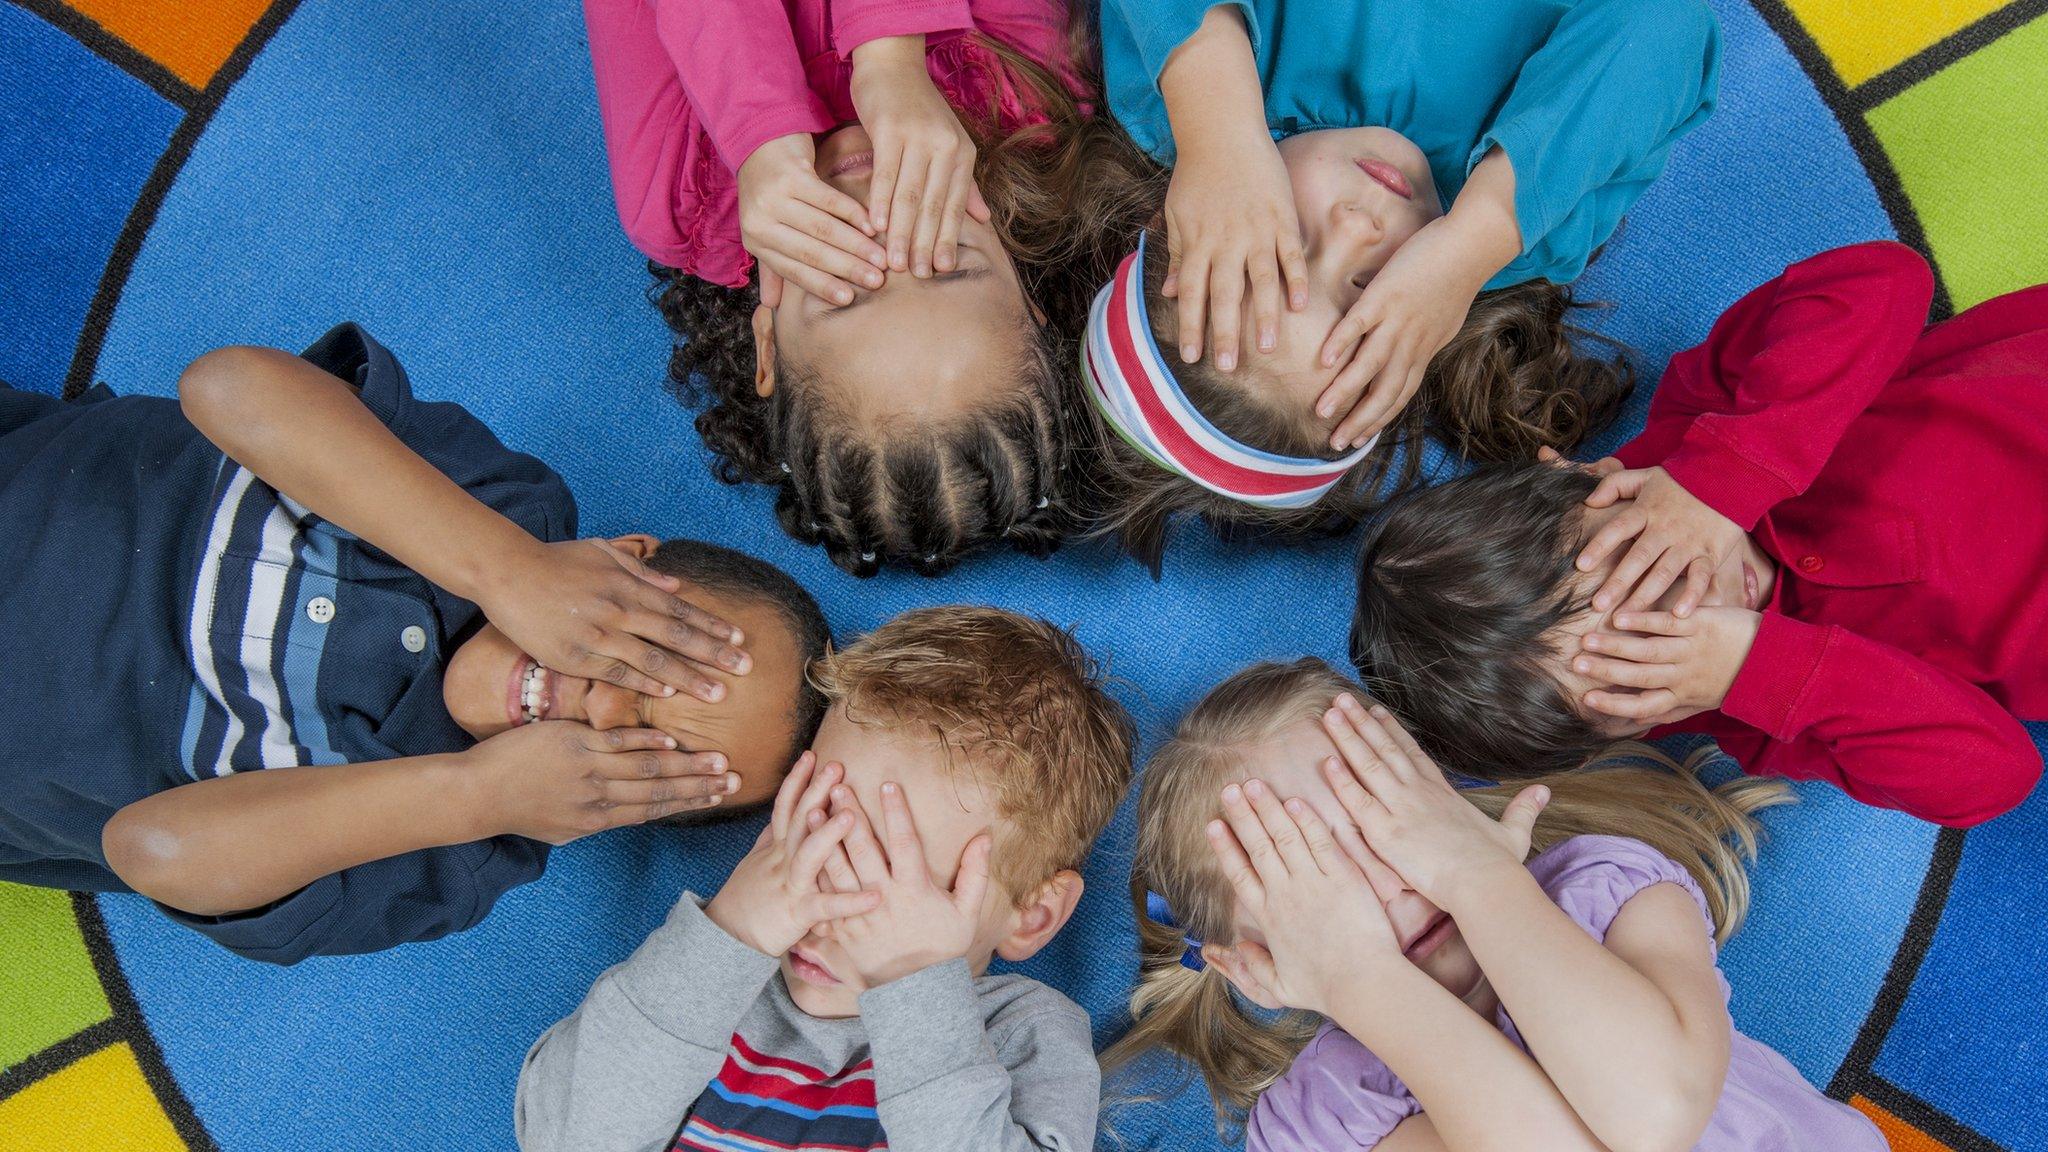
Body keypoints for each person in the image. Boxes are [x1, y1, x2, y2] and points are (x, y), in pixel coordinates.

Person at [0, 324, 829, 963]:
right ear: (624, 562)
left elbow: (147, 848)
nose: (602, 706)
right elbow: (225, 385)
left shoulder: (452, 857)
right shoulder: (506, 506)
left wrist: (472, 793)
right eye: (645, 658)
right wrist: (505, 568)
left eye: (643, 750)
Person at [1352, 242, 2047, 827]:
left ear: (1585, 476)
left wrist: (1721, 480)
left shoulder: (1707, 424)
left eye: (1640, 561)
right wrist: (1763, 665)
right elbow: (1997, 775)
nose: (1701, 603)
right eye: (1652, 656)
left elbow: (1885, 276)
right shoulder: (1771, 718)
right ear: (1635, 726)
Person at [1104, 658, 1883, 1150]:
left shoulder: (1601, 889)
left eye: (1385, 820)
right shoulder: (1324, 1122)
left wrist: (1479, 879)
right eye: (1325, 879)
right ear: (1260, 965)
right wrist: (1358, 980)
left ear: (1437, 795)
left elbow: (1656, 1118)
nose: (1395, 880)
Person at [1082, 0, 1721, 569]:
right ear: (1419, 344)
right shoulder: (1525, 227)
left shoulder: (1189, 92)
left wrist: (1218, 137)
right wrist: (1475, 239)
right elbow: (1669, 24)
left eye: (1287, 238)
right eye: (1367, 291)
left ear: (1183, 217)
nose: (1357, 227)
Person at [514, 606, 1135, 1152]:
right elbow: (563, 1136)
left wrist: (913, 984)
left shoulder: (1024, 1033)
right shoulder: (710, 980)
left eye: (893, 877)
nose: (825, 908)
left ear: (1033, 915)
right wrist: (731, 930)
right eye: (817, 834)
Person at [583, 0, 1155, 576]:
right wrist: (891, 60)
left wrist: (757, 130)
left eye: (846, 285)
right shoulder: (1025, 95)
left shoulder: (680, 198)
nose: (882, 219)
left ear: (768, 348)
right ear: (1031, 300)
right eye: (946, 260)